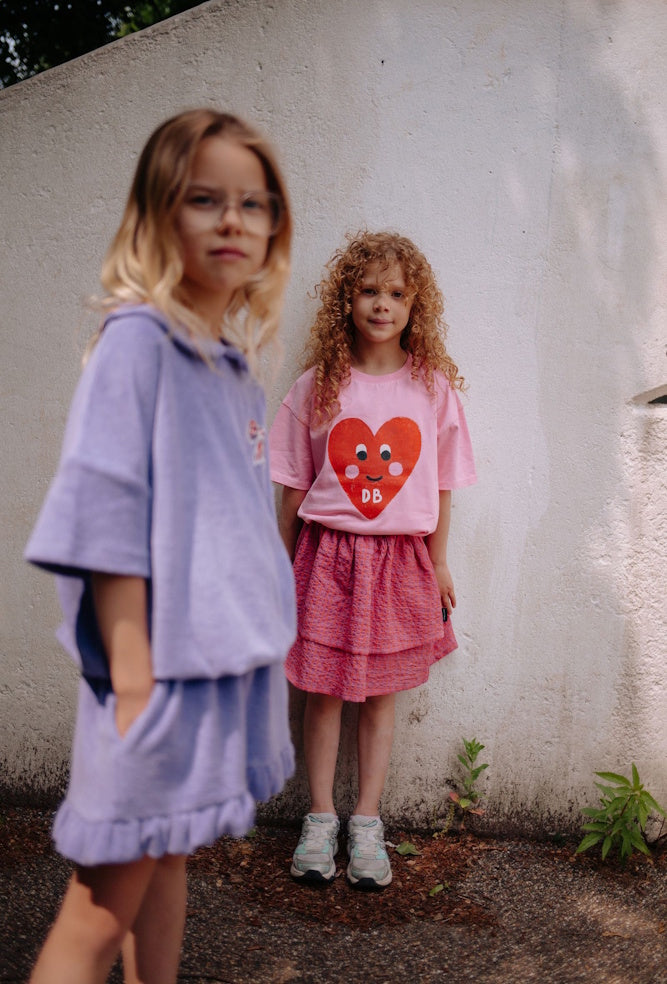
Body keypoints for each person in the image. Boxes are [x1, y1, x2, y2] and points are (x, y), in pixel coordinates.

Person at [24, 108, 296, 983]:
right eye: (204, 198)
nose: (232, 220)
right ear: (155, 216)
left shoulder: (230, 366)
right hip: (153, 683)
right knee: (99, 911)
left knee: (170, 858)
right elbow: (107, 515)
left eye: (253, 204)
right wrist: (134, 680)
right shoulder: (136, 343)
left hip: (209, 674)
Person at [269, 231, 476, 890]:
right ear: (346, 300)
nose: (381, 304)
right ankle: (320, 817)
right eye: (368, 290)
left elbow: (441, 483)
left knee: (380, 699)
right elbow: (293, 483)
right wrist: (279, 560)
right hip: (326, 558)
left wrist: (438, 560)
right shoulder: (318, 384)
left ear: (415, 305)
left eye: (395, 293)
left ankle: (366, 823)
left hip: (397, 564)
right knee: (323, 693)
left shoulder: (432, 389)